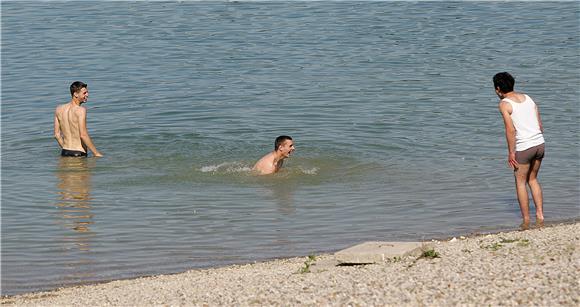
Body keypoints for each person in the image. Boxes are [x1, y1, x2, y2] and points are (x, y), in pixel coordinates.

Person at [494, 72, 545, 226]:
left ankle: (526, 220)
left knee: (520, 182)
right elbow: (540, 125)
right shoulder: (528, 98)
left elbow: (510, 130)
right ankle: (540, 215)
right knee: (533, 179)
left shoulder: (504, 104)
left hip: (525, 147)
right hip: (540, 144)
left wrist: (511, 152)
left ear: (497, 89)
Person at [54, 81, 103, 157]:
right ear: (75, 94)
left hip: (64, 152)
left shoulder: (59, 109)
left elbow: (57, 135)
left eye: (87, 92)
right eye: (84, 93)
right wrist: (96, 153)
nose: (87, 95)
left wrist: (66, 149)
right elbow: (83, 135)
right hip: (78, 153)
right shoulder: (81, 110)